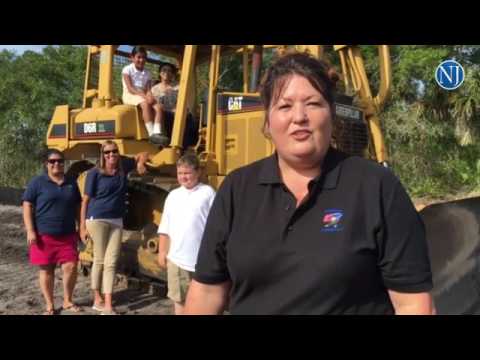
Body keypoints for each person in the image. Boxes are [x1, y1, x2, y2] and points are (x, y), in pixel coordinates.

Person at [184, 52, 434, 315]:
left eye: (313, 103)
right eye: (284, 106)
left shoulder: (376, 186)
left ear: (331, 113)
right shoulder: (236, 189)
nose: (299, 116)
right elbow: (207, 292)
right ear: (267, 122)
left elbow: (413, 303)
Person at [80, 140, 150, 315]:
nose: (111, 155)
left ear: (118, 153)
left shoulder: (123, 166)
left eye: (114, 151)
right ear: (102, 155)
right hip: (97, 220)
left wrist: (140, 164)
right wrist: (82, 226)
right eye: (107, 152)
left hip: (117, 221)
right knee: (100, 260)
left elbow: (144, 154)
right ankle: (97, 299)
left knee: (111, 262)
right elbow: (85, 201)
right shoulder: (94, 173)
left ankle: (108, 306)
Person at [22, 149, 83, 315]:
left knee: (71, 266)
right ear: (46, 164)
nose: (57, 164)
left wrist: (81, 227)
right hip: (44, 235)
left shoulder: (71, 182)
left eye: (60, 161)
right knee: (47, 270)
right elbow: (27, 205)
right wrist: (30, 230)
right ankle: (49, 305)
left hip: (68, 234)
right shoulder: (37, 182)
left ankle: (67, 301)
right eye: (53, 161)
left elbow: (78, 206)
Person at [157, 154, 215, 315]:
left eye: (187, 173)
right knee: (179, 301)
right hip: (177, 259)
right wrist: (162, 251)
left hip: (201, 260)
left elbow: (216, 226)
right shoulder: (173, 195)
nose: (184, 177)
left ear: (197, 172)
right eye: (180, 173)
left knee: (202, 303)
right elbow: (165, 226)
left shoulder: (208, 193)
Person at [122, 46, 170, 146]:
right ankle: (151, 133)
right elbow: (130, 88)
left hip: (142, 94)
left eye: (144, 57)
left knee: (159, 107)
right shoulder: (127, 70)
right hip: (130, 94)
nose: (141, 60)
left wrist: (150, 96)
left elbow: (148, 89)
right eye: (138, 57)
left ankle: (157, 133)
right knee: (145, 104)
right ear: (132, 57)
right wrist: (145, 97)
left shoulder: (147, 73)